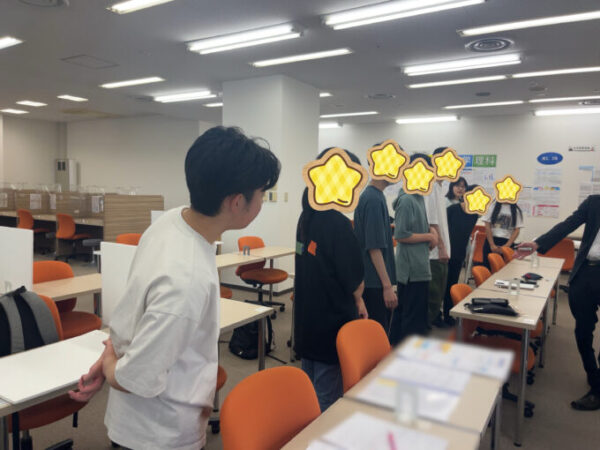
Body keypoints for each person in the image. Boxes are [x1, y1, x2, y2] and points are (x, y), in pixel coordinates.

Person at [68, 126, 281, 449]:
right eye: (261, 194)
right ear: (238, 202)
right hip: (159, 434)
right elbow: (136, 378)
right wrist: (111, 362)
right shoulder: (186, 280)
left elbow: (140, 311)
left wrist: (112, 356)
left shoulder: (172, 221)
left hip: (141, 419)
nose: (263, 201)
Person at [294, 148, 368, 412]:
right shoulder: (338, 224)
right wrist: (359, 298)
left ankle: (308, 430)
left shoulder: (306, 217)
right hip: (330, 322)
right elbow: (354, 278)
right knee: (327, 396)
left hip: (307, 319)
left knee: (310, 389)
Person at [517, 194, 600, 411]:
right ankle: (593, 373)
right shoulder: (594, 202)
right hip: (586, 272)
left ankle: (597, 390)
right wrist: (537, 243)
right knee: (582, 331)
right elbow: (567, 225)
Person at [389, 153, 438, 346]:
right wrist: (429, 237)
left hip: (418, 264)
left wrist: (431, 232)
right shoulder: (407, 200)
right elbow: (400, 235)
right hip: (411, 269)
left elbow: (417, 228)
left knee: (408, 313)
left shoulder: (418, 197)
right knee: (411, 317)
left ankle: (395, 348)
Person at [353, 168, 398, 332]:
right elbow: (374, 248)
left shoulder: (375, 196)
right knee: (377, 333)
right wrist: (387, 287)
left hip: (373, 280)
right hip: (374, 282)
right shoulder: (373, 200)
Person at [443, 178, 478, 324]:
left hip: (459, 252)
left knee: (452, 284)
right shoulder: (450, 208)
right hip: (444, 252)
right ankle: (436, 315)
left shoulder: (474, 214)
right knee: (441, 285)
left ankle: (448, 314)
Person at [424, 147, 451, 328]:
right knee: (433, 295)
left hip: (442, 251)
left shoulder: (440, 187)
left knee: (438, 292)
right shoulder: (431, 185)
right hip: (434, 253)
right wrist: (441, 247)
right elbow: (431, 221)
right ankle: (424, 327)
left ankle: (431, 321)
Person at [482, 200, 523, 269]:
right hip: (491, 241)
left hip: (507, 242)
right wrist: (492, 245)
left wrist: (506, 246)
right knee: (488, 268)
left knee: (504, 270)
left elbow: (517, 230)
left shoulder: (516, 210)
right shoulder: (492, 207)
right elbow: (487, 226)